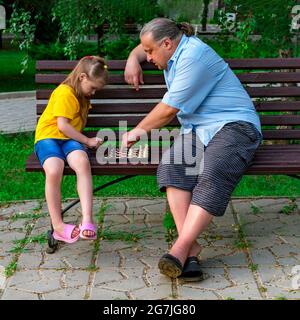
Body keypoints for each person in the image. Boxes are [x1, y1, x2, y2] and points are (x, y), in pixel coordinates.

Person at [122, 18, 262, 280]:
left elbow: (168, 111)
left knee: (213, 171)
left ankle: (180, 248)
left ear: (167, 44)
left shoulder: (194, 56)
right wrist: (133, 57)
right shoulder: (171, 45)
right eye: (146, 52)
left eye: (151, 52)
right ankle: (192, 250)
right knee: (172, 165)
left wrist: (136, 132)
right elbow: (146, 47)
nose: (148, 58)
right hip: (197, 129)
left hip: (235, 125)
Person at [34, 56, 108, 243]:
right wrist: (88, 141)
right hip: (49, 137)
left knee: (82, 163)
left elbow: (69, 131)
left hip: (68, 140)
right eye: (92, 88)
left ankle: (87, 220)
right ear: (82, 77)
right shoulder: (65, 92)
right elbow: (62, 126)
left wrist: (83, 142)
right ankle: (58, 226)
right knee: (54, 169)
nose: (93, 93)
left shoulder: (81, 96)